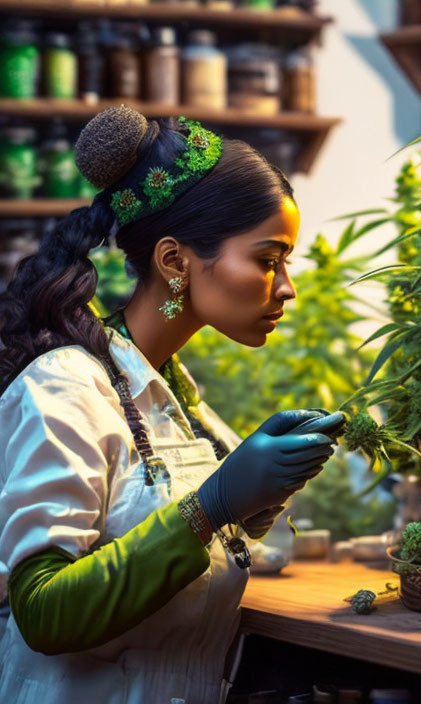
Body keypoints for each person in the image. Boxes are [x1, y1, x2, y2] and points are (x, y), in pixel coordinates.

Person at [0, 106, 346, 703]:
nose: (286, 286)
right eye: (268, 260)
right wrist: (213, 504)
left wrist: (261, 496)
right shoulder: (66, 388)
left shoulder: (175, 392)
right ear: (174, 261)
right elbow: (44, 613)